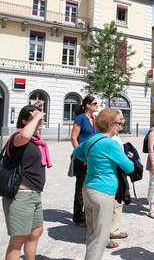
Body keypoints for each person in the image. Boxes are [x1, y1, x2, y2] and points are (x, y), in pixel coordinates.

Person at [73, 108, 134, 260]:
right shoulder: (110, 144)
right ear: (111, 124)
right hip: (103, 192)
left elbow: (77, 152)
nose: (122, 125)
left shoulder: (93, 138)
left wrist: (92, 160)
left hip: (88, 188)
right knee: (100, 238)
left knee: (92, 233)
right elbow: (129, 167)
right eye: (120, 122)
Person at [3, 104, 52, 260]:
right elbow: (23, 137)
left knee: (35, 232)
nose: (40, 121)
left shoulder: (37, 140)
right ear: (24, 121)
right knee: (17, 239)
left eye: (40, 119)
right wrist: (36, 116)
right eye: (35, 119)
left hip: (34, 194)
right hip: (21, 195)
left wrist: (36, 114)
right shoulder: (17, 137)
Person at [70, 95, 98, 227]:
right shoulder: (81, 118)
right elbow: (73, 138)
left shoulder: (94, 119)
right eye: (94, 103)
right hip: (82, 158)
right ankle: (78, 217)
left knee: (90, 187)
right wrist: (80, 154)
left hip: (93, 157)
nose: (97, 105)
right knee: (81, 187)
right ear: (87, 105)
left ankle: (87, 214)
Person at [107, 110, 132, 249]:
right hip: (110, 177)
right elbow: (128, 167)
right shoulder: (110, 139)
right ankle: (105, 236)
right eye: (120, 120)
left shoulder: (113, 137)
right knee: (108, 208)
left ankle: (114, 230)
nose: (123, 122)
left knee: (117, 204)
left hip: (116, 176)